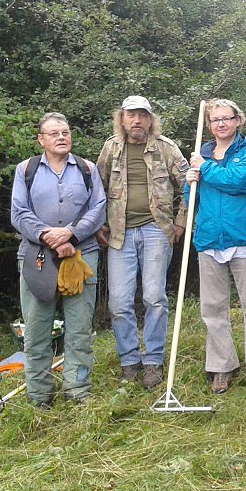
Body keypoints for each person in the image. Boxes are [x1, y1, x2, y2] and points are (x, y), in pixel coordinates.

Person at [11, 112, 106, 406]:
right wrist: (47, 236)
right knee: (37, 329)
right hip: (36, 257)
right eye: (53, 133)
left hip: (82, 255)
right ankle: (39, 396)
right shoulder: (25, 170)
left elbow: (98, 208)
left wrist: (70, 235)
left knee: (78, 329)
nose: (61, 137)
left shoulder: (88, 169)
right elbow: (18, 212)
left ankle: (78, 392)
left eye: (65, 132)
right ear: (41, 140)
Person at [96, 95, 189, 390]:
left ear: (150, 120)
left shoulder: (166, 148)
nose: (137, 120)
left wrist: (180, 222)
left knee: (154, 297)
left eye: (142, 115)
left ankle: (152, 361)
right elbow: (96, 188)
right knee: (120, 302)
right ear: (121, 119)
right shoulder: (111, 148)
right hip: (119, 234)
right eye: (131, 115)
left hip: (156, 232)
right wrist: (98, 224)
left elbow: (190, 184)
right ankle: (129, 361)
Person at [185, 99, 246, 395]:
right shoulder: (202, 155)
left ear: (238, 120)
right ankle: (222, 366)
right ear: (209, 125)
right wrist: (190, 180)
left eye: (226, 118)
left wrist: (205, 170)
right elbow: (191, 201)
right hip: (209, 240)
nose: (220, 124)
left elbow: (239, 181)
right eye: (214, 120)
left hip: (244, 240)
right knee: (213, 310)